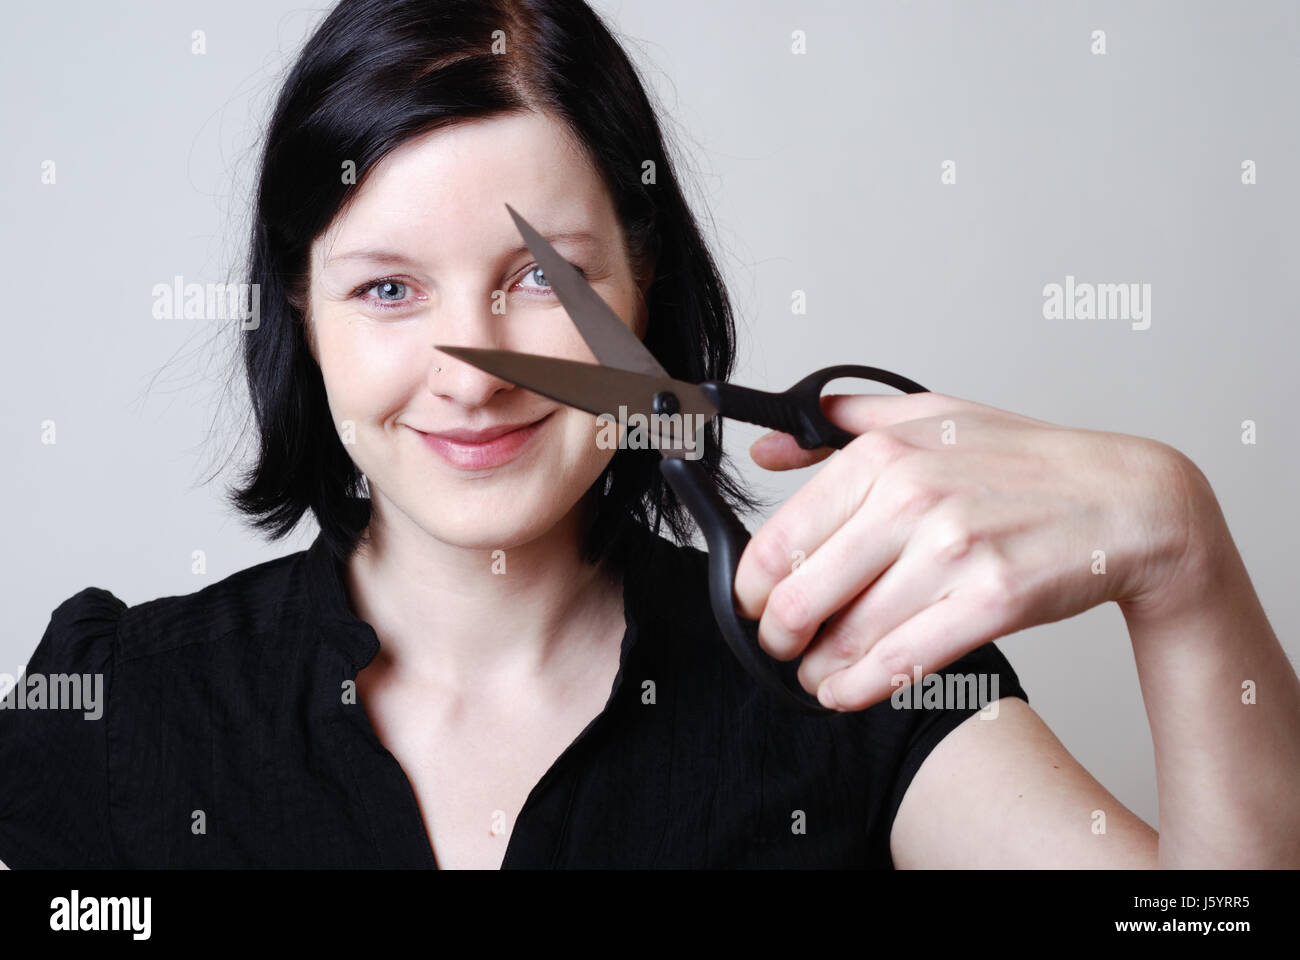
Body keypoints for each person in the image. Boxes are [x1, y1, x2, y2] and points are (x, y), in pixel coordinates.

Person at [2, 0, 1297, 870]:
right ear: (303, 310)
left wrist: (1186, 564)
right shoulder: (121, 704)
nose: (472, 374)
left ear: (643, 288)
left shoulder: (862, 685)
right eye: (388, 288)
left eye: (541, 279)